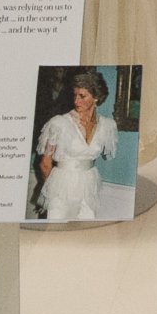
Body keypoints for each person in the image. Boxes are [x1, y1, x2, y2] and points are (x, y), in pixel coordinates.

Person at [36, 69, 119, 222]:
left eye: (82, 96)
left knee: (85, 230)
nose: (76, 101)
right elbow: (45, 163)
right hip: (61, 185)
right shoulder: (59, 124)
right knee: (57, 229)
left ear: (96, 98)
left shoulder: (107, 126)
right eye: (75, 95)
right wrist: (54, 186)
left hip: (88, 185)